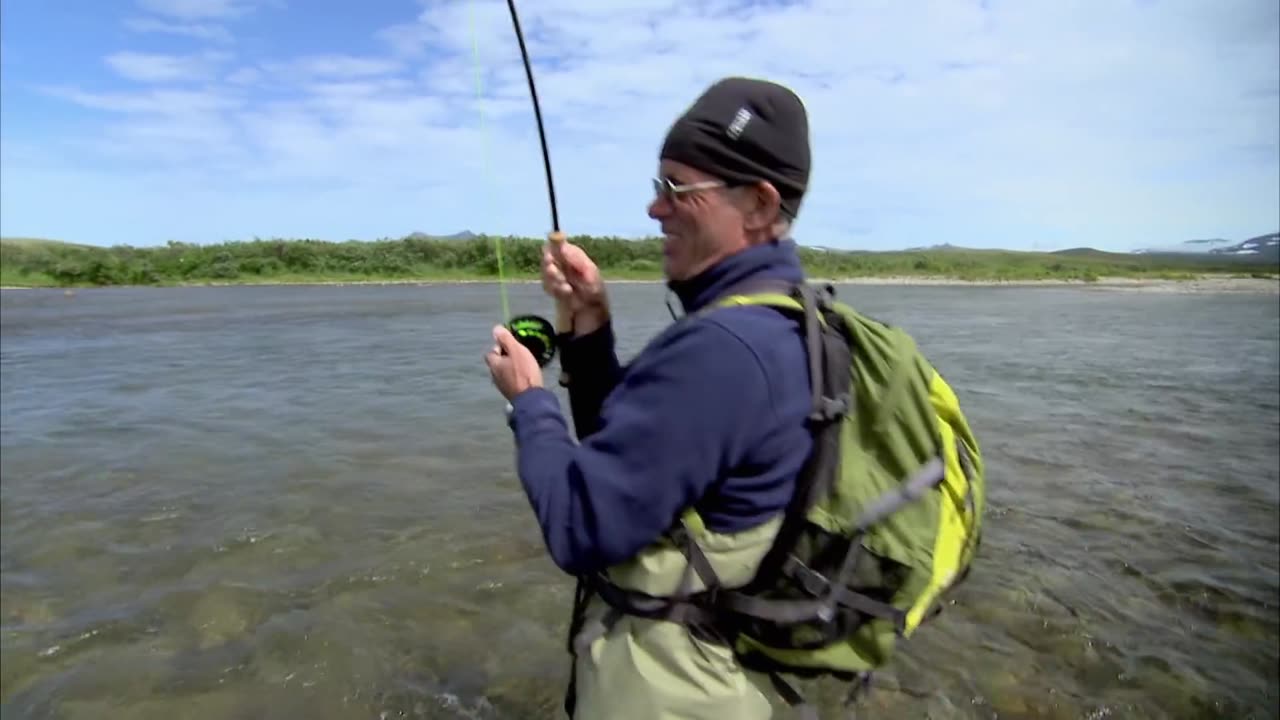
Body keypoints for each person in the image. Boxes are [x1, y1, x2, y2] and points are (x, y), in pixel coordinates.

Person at [486, 77, 818, 719]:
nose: (654, 209)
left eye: (675, 189)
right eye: (656, 186)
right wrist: (589, 326)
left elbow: (583, 524)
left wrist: (528, 401)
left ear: (757, 202)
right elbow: (632, 463)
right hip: (719, 669)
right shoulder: (784, 322)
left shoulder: (724, 349)